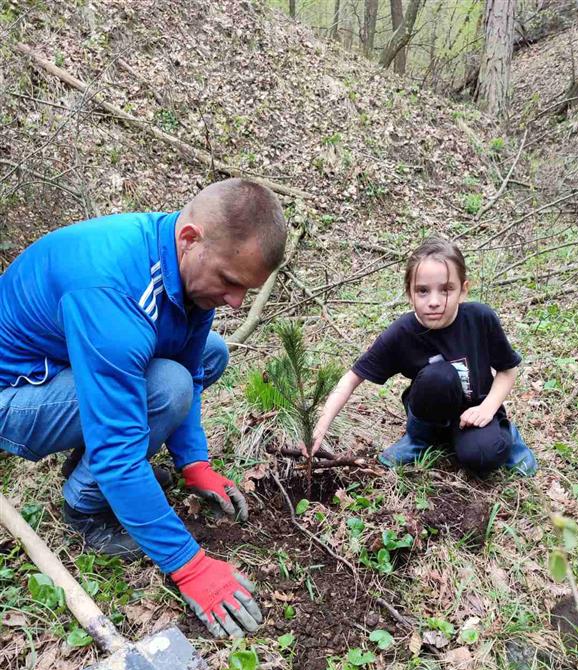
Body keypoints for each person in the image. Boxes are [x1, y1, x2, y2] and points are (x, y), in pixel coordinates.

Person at [0, 178, 287, 638]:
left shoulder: (184, 266)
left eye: (245, 290)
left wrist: (195, 464)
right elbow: (121, 451)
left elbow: (193, 368)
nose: (236, 302)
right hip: (14, 396)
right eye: (231, 283)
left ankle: (88, 463)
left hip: (69, 362)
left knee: (210, 353)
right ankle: (84, 505)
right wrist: (190, 566)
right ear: (190, 239)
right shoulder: (112, 289)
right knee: (165, 388)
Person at [310, 237, 537, 475]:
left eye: (446, 289)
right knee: (438, 376)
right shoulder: (402, 333)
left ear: (463, 290)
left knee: (482, 457)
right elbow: (351, 379)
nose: (434, 302)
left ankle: (505, 436)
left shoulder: (480, 318)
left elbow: (507, 369)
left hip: (475, 412)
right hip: (431, 408)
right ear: (410, 293)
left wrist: (488, 409)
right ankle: (419, 440)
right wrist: (318, 429)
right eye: (423, 291)